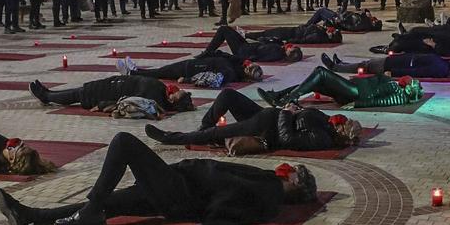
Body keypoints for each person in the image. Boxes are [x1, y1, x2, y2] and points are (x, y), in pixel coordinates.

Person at [0, 134, 318, 225]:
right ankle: (30, 214)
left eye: (291, 172)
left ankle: (90, 209)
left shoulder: (268, 191)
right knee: (110, 202)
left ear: (293, 182)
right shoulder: (268, 187)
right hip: (181, 189)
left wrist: (200, 220)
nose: (285, 170)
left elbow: (228, 195)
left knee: (123, 143)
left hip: (181, 191)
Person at [145, 87, 362, 153]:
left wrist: (287, 113)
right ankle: (203, 130)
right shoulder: (326, 122)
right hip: (268, 114)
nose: (340, 121)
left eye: (344, 124)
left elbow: (287, 139)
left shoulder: (322, 138)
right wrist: (294, 109)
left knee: (216, 133)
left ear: (342, 133)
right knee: (228, 95)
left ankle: (170, 138)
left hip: (266, 128)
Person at [30, 69, 194, 115]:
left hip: (108, 92)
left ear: (173, 100)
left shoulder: (155, 99)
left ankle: (46, 96)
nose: (177, 89)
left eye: (178, 93)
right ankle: (49, 93)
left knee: (79, 95)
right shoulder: (161, 90)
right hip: (113, 84)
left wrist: (104, 105)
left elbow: (127, 101)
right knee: (80, 91)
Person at [262, 64, 425, 109]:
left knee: (321, 72)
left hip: (355, 93)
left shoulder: (397, 92)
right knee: (316, 81)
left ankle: (287, 100)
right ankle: (278, 96)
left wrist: (357, 104)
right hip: (354, 88)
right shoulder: (395, 86)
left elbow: (380, 101)